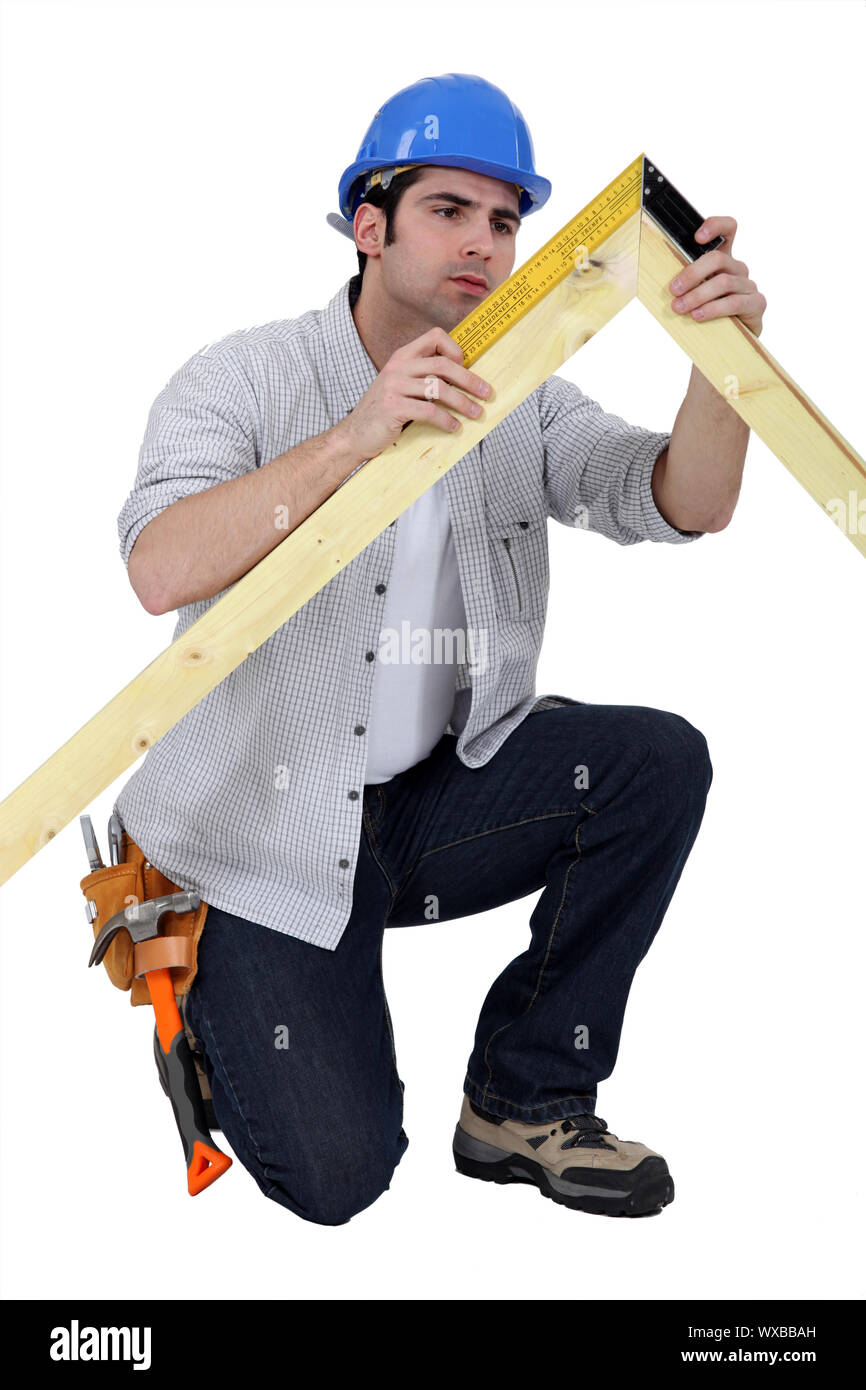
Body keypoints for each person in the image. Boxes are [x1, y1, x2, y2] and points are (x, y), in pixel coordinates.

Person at [115, 73, 765, 1225]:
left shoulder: (519, 397)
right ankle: (217, 1000)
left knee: (653, 764)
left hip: (419, 810)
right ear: (369, 227)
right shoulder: (242, 377)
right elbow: (160, 566)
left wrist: (722, 360)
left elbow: (679, 498)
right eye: (448, 211)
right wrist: (354, 439)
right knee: (337, 1177)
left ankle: (522, 1098)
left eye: (505, 220)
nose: (483, 243)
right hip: (253, 831)